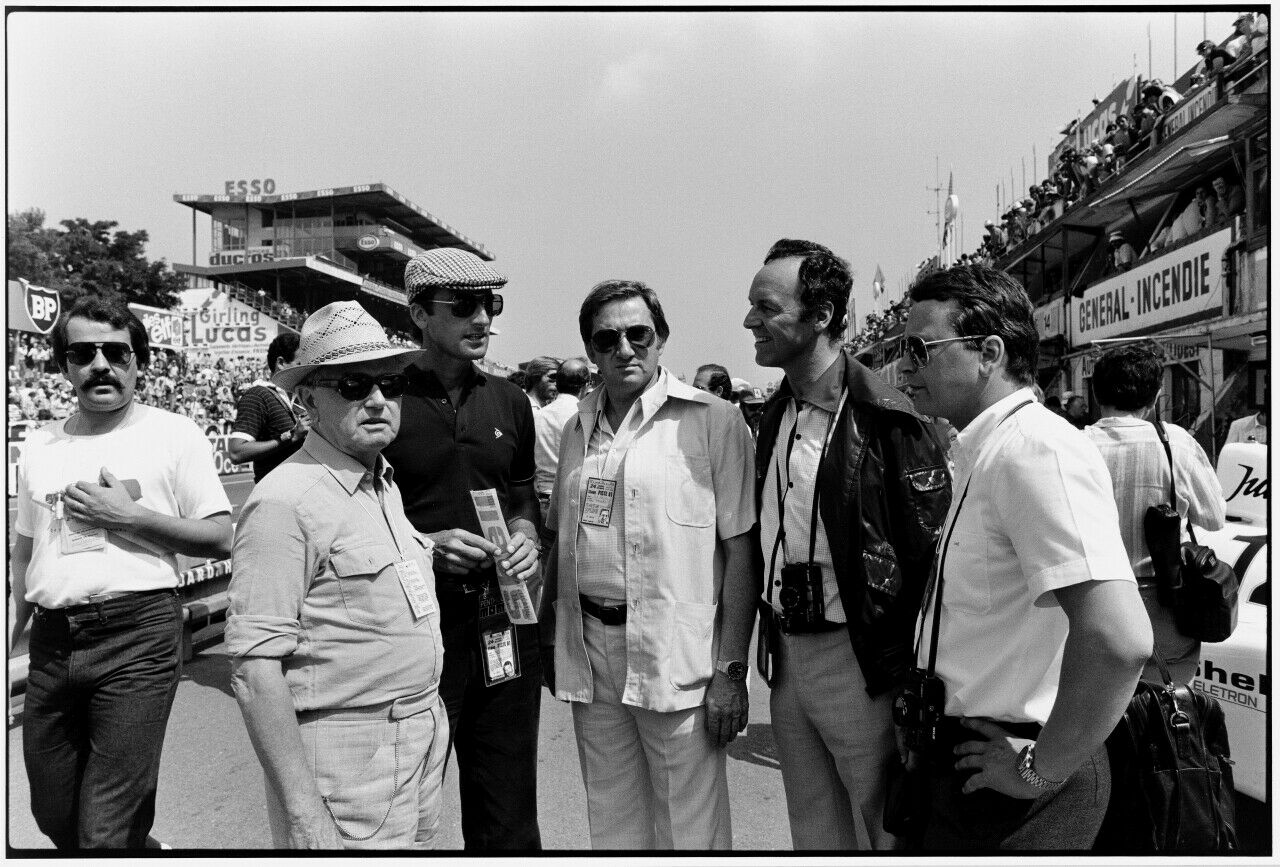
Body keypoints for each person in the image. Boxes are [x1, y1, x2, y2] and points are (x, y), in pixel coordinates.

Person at [899, 264, 1151, 850]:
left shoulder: (1036, 450)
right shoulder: (983, 449)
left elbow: (1120, 640)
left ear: (989, 351)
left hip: (1018, 781)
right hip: (971, 762)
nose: (906, 366)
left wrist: (1038, 771)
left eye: (920, 347)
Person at [743, 239, 952, 850]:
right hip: (785, 655)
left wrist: (908, 676)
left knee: (883, 831)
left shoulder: (889, 417)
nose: (750, 321)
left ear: (823, 315)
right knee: (812, 831)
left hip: (860, 663)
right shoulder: (774, 413)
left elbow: (928, 559)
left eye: (766, 306)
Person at [541, 279, 757, 849]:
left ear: (661, 338)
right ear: (590, 350)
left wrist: (732, 670)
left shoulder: (713, 421)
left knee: (690, 828)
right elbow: (563, 539)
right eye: (607, 339)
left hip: (675, 655)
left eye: (638, 334)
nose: (624, 349)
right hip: (593, 651)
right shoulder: (575, 428)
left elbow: (741, 553)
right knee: (612, 821)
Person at [11, 296, 233, 849]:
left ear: (139, 362)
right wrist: (11, 632)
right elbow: (25, 551)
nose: (100, 365)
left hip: (137, 635)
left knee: (105, 830)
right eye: (83, 353)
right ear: (64, 364)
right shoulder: (38, 444)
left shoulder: (174, 434)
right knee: (53, 814)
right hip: (53, 640)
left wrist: (129, 517)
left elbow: (220, 536)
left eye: (116, 352)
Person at [227, 301, 447, 849]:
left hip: (416, 736)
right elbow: (255, 670)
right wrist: (303, 813)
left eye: (390, 384)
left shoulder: (381, 482)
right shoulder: (285, 500)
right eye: (352, 385)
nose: (377, 400)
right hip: (350, 755)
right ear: (305, 404)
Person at [383, 248, 543, 850]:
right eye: (465, 305)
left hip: (504, 616)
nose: (483, 319)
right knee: (406, 799)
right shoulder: (382, 396)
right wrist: (426, 546)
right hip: (414, 622)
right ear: (420, 314)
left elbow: (524, 496)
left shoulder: (510, 400)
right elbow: (356, 510)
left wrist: (527, 537)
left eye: (491, 304)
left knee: (506, 801)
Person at [1084, 343, 1226, 685]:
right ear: (1157, 395)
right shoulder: (1175, 442)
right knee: (1163, 720)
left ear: (1095, 392)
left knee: (1095, 724)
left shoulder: (1073, 444)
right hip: (1164, 609)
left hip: (1088, 608)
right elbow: (1214, 517)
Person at [227, 332, 308, 482]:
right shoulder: (257, 395)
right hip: (276, 495)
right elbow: (236, 452)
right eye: (299, 364)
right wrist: (291, 437)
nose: (304, 370)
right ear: (281, 362)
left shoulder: (303, 396)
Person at [533, 356, 591, 511]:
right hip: (573, 499)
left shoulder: (538, 415)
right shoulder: (585, 416)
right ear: (586, 385)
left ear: (557, 383)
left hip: (542, 498)